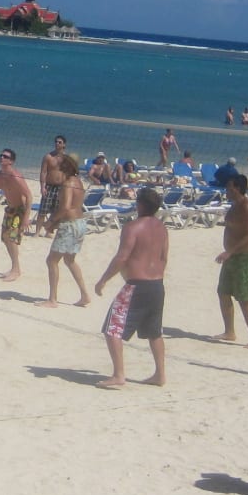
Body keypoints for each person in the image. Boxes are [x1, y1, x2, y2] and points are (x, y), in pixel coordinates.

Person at [95, 187, 168, 389]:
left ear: (140, 205)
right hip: (157, 285)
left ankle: (119, 375)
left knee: (112, 328)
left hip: (137, 285)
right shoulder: (162, 227)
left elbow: (122, 257)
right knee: (154, 332)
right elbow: (164, 257)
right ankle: (160, 374)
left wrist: (103, 280)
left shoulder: (132, 227)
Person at [213, 175, 248, 348]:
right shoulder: (235, 205)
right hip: (232, 256)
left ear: (238, 188)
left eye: (229, 187)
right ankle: (229, 332)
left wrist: (230, 251)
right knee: (223, 292)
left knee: (244, 298)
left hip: (246, 257)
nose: (226, 190)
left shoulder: (247, 206)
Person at [39, 155, 90, 308]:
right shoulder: (78, 181)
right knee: (69, 260)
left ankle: (52, 299)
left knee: (52, 261)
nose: (58, 167)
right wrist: (56, 223)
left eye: (61, 165)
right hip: (80, 223)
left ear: (66, 166)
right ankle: (85, 295)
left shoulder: (68, 183)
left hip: (70, 225)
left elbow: (66, 207)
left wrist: (51, 221)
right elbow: (74, 206)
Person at [0, 148, 31, 283]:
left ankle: (16, 270)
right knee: (5, 238)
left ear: (11, 161)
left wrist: (26, 218)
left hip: (20, 210)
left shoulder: (16, 176)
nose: (2, 158)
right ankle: (14, 268)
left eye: (5, 156)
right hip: (10, 210)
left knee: (11, 238)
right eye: (1, 155)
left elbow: (29, 196)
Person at [33, 135, 68, 235]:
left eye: (60, 142)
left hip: (60, 187)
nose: (57, 143)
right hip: (49, 186)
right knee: (43, 211)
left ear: (64, 145)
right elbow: (43, 172)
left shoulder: (67, 159)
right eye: (56, 142)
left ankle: (49, 231)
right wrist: (42, 187)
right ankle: (37, 232)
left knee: (55, 212)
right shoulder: (48, 157)